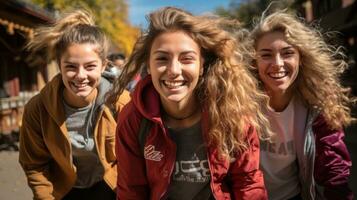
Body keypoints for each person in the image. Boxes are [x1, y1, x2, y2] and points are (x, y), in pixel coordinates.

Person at [107, 7, 271, 200]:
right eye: (162, 59)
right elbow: (131, 190)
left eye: (186, 59)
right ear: (149, 66)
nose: (174, 70)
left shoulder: (232, 113)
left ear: (202, 65)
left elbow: (247, 183)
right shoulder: (133, 118)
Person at [18, 10, 130, 200]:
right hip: (62, 190)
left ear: (103, 66)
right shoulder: (38, 109)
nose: (80, 75)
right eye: (70, 66)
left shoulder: (122, 103)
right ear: (59, 65)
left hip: (112, 187)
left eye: (90, 66)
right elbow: (34, 164)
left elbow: (135, 157)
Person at [249, 11, 354, 200]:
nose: (277, 63)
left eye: (287, 53)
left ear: (301, 58)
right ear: (254, 61)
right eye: (266, 55)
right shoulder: (240, 103)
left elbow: (333, 163)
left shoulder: (315, 102)